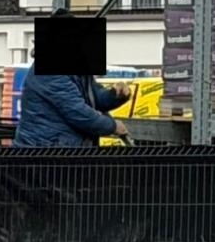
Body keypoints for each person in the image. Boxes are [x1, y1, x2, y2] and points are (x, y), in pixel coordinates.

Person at [13, 16, 133, 148]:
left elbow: (94, 97)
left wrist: (115, 94)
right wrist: (112, 126)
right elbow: (77, 112)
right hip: (44, 153)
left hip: (61, 149)